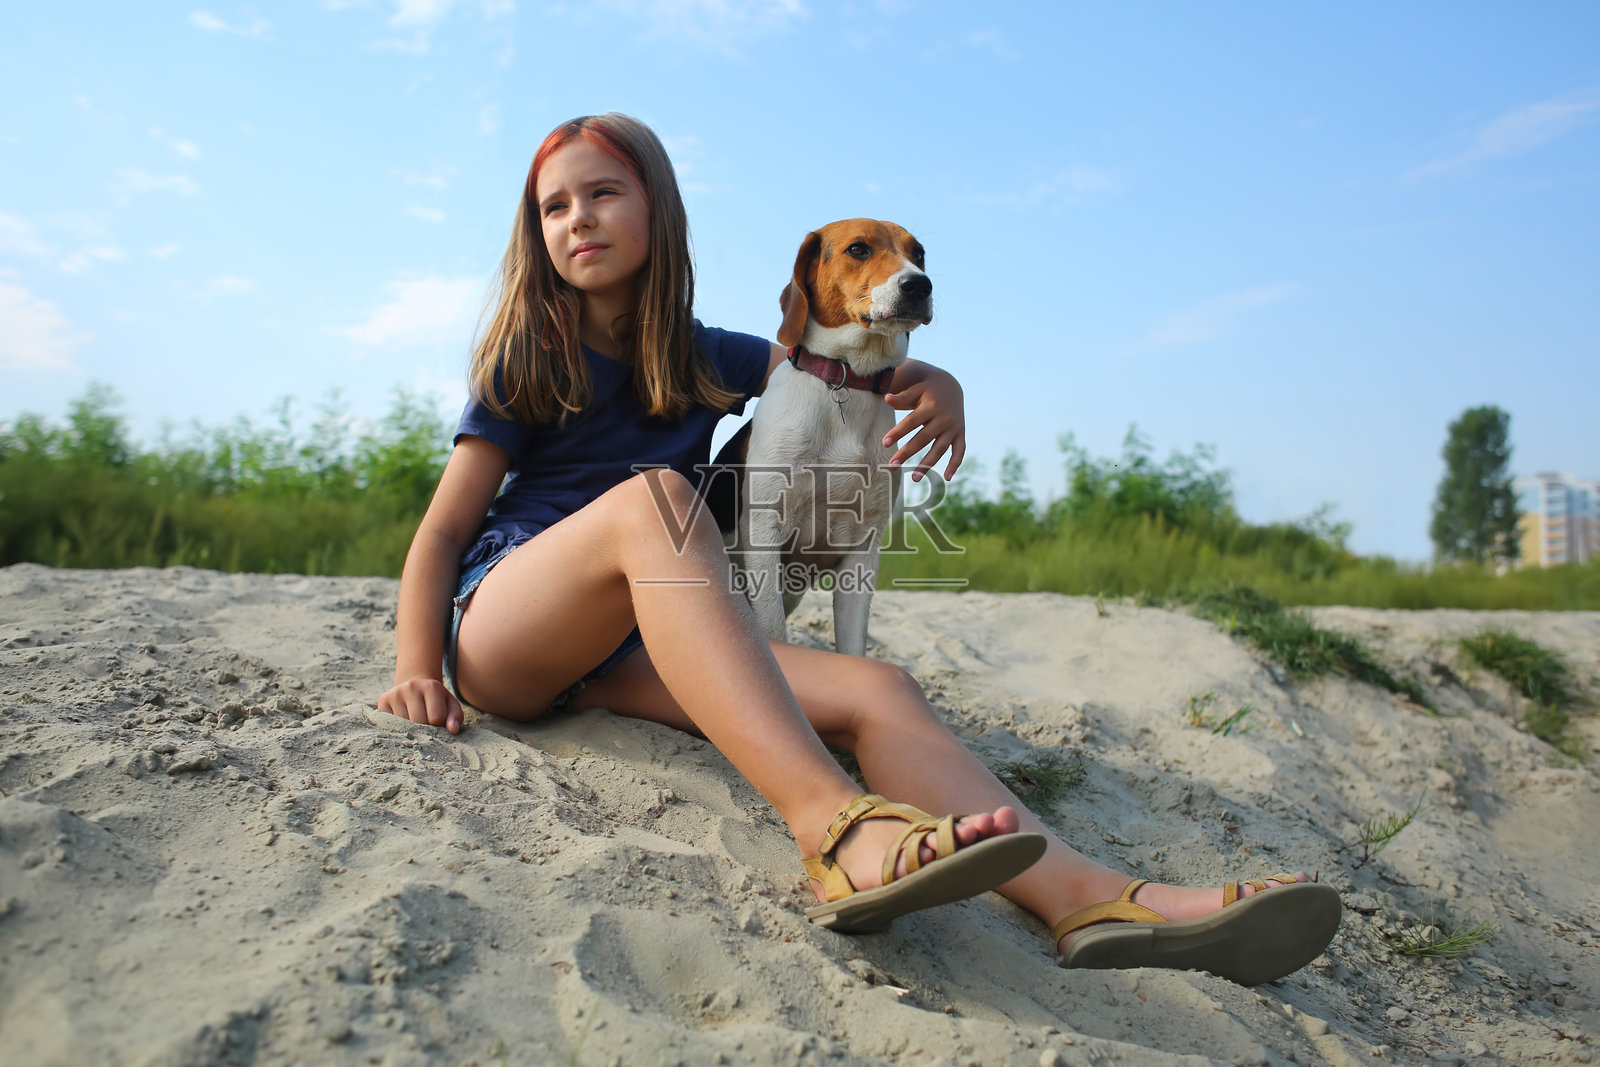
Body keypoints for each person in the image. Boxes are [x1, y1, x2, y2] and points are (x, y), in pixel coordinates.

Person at [377, 113, 1341, 983]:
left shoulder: (708, 350)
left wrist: (945, 379)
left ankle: (1089, 896)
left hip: (634, 652)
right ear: (535, 233)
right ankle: (834, 826)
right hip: (509, 628)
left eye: (602, 193)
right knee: (660, 501)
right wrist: (420, 665)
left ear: (659, 213)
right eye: (554, 206)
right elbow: (444, 530)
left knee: (882, 689)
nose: (577, 218)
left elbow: (849, 350)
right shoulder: (527, 352)